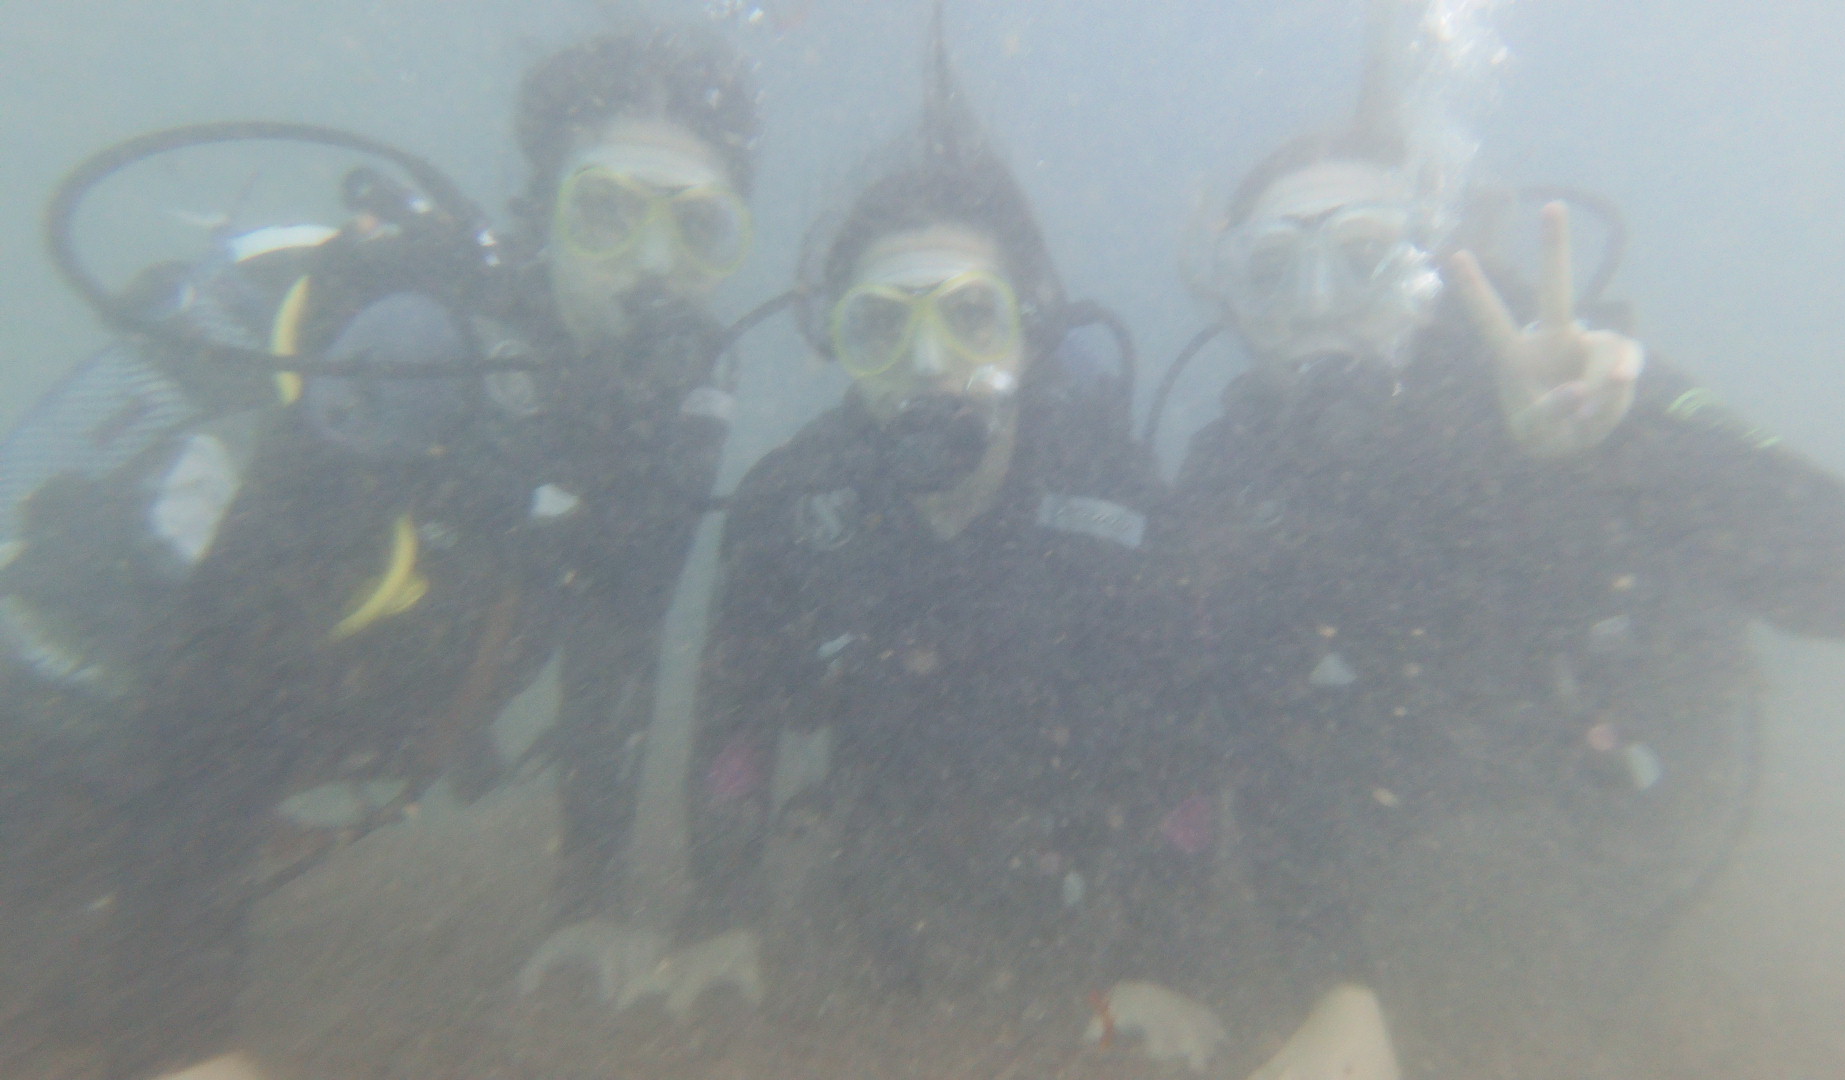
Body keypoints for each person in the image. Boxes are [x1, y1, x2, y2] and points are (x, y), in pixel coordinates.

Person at [1164, 117, 1845, 1078]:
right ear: (1233, 296)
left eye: (1363, 256)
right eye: (1273, 270)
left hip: (1626, 836)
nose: (1318, 307)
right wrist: (1341, 984)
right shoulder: (1237, 476)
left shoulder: (1577, 385)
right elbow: (1266, 747)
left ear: (1433, 268)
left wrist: (1627, 443)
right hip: (1402, 855)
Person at [670, 10, 1234, 1068]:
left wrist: (1162, 957)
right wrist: (720, 913)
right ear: (837, 343)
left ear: (1029, 333)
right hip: (881, 837)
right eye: (882, 326)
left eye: (971, 318)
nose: (929, 364)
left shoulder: (1118, 503)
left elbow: (1182, 741)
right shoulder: (790, 505)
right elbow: (735, 726)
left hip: (1071, 841)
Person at [0, 186, 553, 1077]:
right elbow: (219, 704)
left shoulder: (486, 404)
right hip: (71, 715)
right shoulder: (394, 381)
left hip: (122, 718)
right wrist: (182, 1037)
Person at [499, 21, 761, 936]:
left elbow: (623, 624)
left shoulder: (697, 382)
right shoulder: (439, 350)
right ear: (543, 212)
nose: (655, 265)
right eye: (606, 211)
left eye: (697, 225)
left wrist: (591, 897)